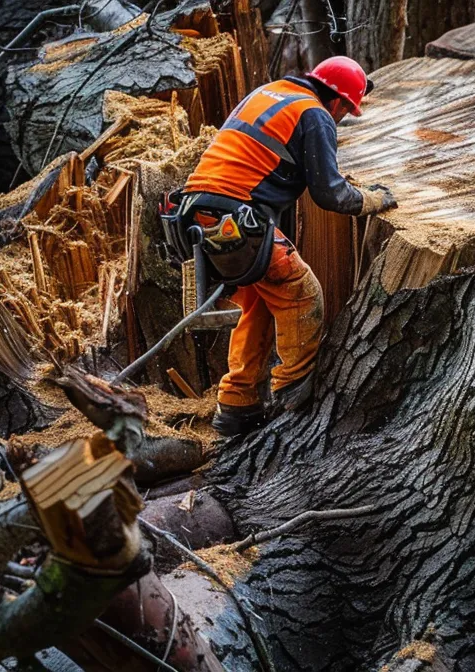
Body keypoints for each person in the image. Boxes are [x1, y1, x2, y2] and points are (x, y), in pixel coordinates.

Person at [164, 56, 398, 437]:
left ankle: (237, 405)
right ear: (338, 101)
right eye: (346, 112)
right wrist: (370, 199)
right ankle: (294, 390)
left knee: (258, 302)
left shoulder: (271, 93)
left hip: (198, 215)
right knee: (301, 294)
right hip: (234, 217)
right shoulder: (315, 113)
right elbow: (330, 193)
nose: (340, 119)